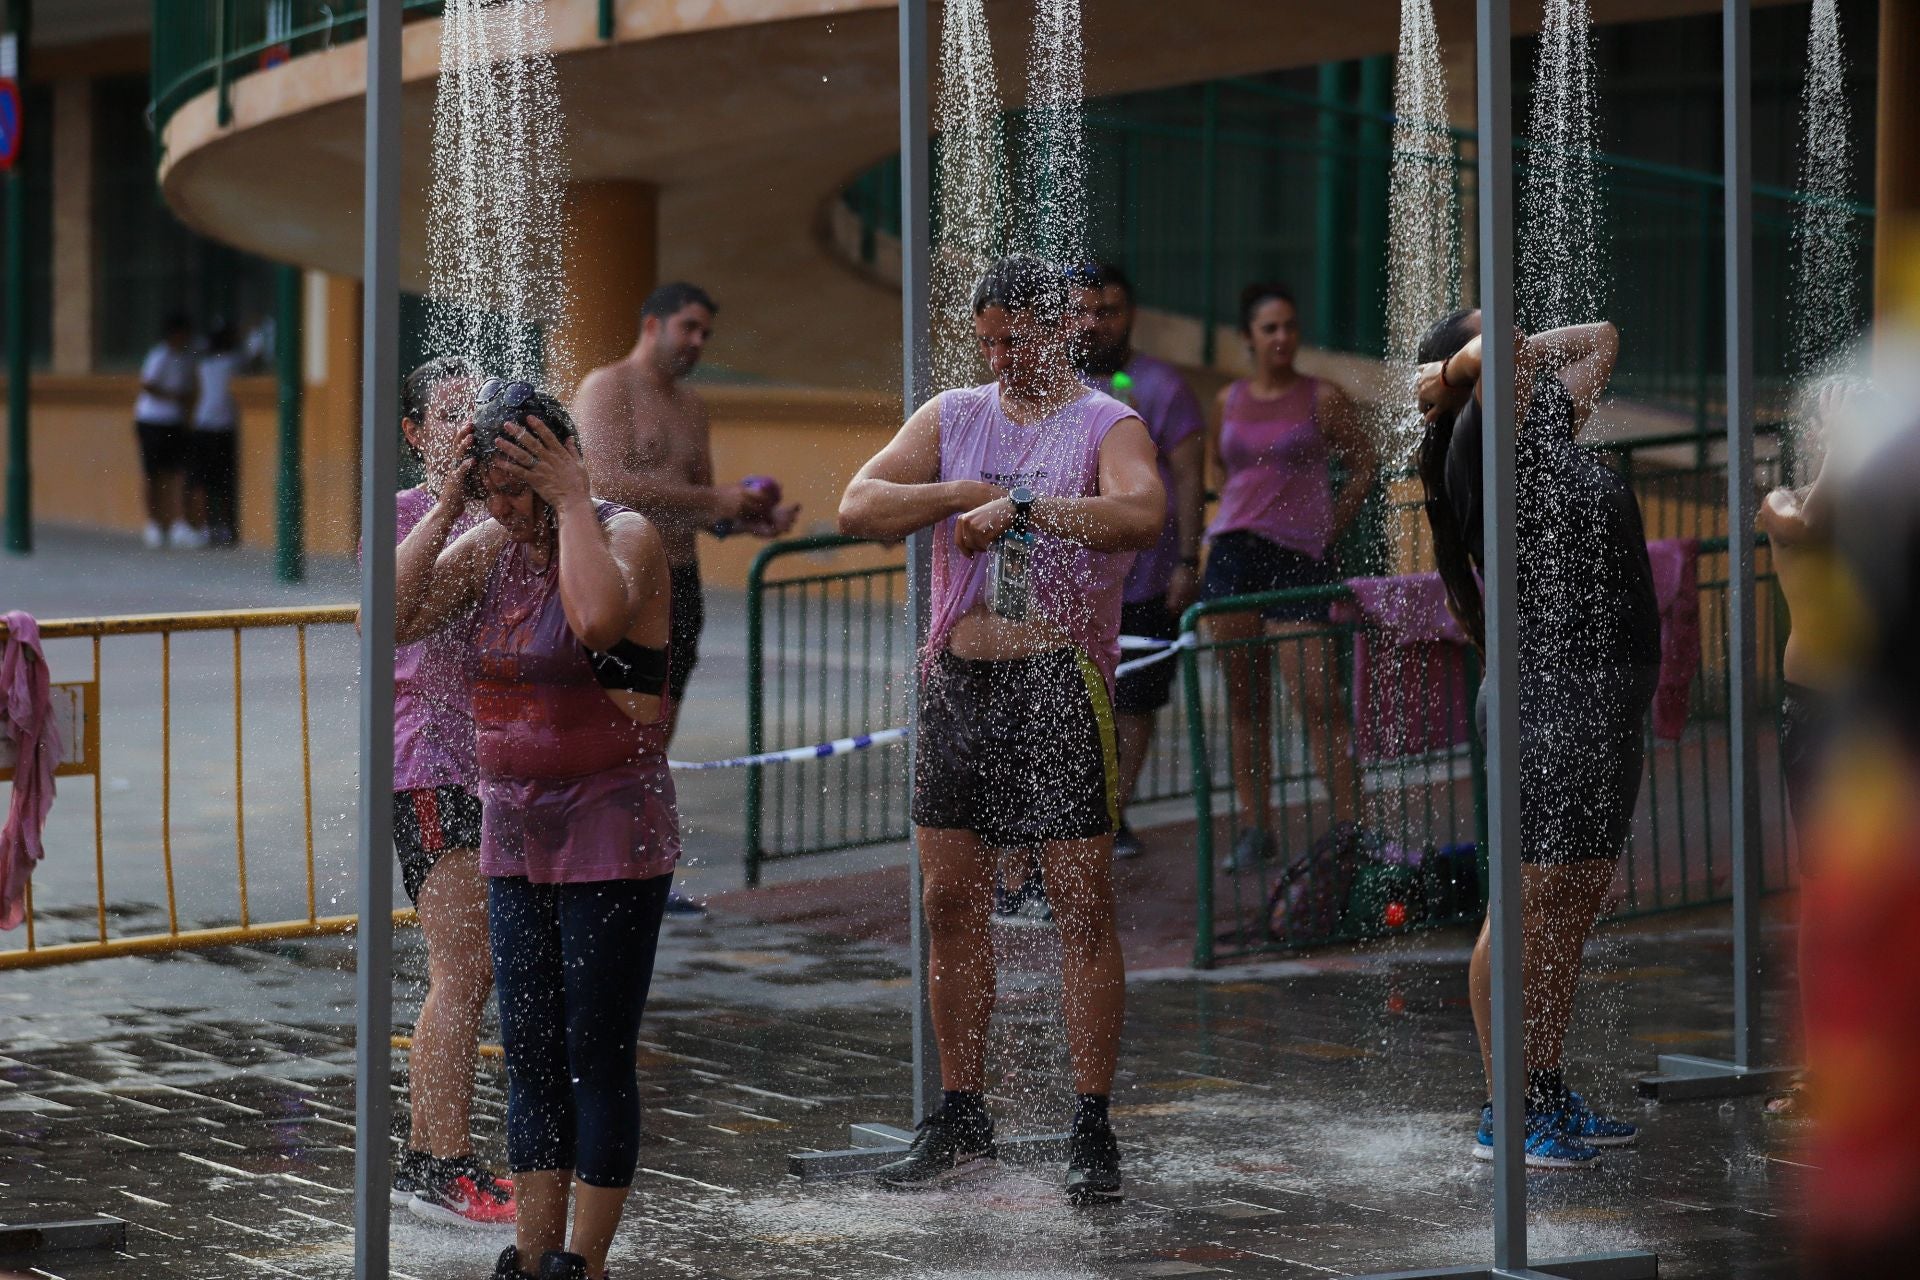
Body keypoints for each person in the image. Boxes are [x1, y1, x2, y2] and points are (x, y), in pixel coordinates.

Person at [838, 255, 1165, 1204]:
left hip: (1061, 684)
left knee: (1079, 906)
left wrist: (1024, 507)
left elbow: (1142, 513)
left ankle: (1091, 1123)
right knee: (948, 903)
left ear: (1059, 329)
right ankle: (962, 1112)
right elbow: (860, 504)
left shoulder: (1108, 420)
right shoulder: (954, 415)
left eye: (1013, 339)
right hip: (958, 684)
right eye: (984, 341)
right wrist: (954, 495)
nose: (997, 356)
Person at [396, 382, 678, 1280]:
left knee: (594, 1047)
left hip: (609, 829)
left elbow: (596, 618)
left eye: (520, 488)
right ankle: (532, 1252)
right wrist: (447, 504)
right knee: (529, 1046)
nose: (505, 510)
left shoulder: (621, 532)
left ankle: (583, 1264)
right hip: (515, 831)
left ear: (559, 463)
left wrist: (568, 499)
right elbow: (388, 620)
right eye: (494, 491)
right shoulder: (487, 544)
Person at [1414, 310, 1659, 1168]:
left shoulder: (1540, 418)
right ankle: (1506, 1107)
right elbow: (1491, 362)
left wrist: (1481, 356)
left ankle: (1545, 1086)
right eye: (1498, 336)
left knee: (1573, 901)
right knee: (1528, 902)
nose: (1520, 339)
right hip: (1545, 697)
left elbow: (1602, 338)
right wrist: (1452, 378)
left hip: (1606, 698)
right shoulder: (1480, 441)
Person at [574, 282, 798, 917]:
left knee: (657, 728)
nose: (698, 343)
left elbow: (701, 499)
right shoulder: (606, 389)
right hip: (619, 580)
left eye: (706, 333)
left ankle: (635, 867)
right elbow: (605, 484)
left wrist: (751, 521)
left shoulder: (693, 407)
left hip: (679, 581)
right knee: (610, 726)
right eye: (689, 328)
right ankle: (589, 867)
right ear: (653, 324)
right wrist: (717, 501)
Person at [385, 357, 517, 1229]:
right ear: (414, 433)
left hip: (503, 765)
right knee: (459, 971)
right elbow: (388, 610)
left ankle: (443, 1152)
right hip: (434, 765)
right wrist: (445, 505)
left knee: (484, 973)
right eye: (446, 415)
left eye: (477, 411)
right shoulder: (403, 517)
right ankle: (436, 1159)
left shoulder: (509, 514)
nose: (465, 427)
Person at [1202, 284, 1378, 869]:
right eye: (1269, 328)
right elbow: (1221, 473)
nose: (1282, 337)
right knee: (1245, 703)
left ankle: (1354, 828)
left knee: (1317, 698)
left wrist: (1327, 525)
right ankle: (1255, 829)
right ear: (1248, 337)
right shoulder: (1228, 398)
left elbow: (1365, 463)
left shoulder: (1321, 398)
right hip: (1233, 556)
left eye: (1289, 326)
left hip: (1297, 558)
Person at [1070, 263, 1207, 860]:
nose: (1096, 322)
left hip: (1146, 579)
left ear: (1131, 315)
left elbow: (1188, 476)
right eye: (1084, 310)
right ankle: (1065, 823)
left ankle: (1113, 815)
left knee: (1136, 703)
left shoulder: (1161, 386)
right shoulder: (1047, 382)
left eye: (1110, 310)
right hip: (1067, 582)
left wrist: (1186, 561)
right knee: (1066, 705)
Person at [134, 312, 200, 550]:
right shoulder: (159, 355)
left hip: (175, 421)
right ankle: (153, 524)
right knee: (153, 473)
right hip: (152, 420)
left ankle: (180, 524)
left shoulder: (186, 357)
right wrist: (172, 396)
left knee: (180, 472)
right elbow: (147, 384)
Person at [187, 322, 244, 548]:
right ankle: (225, 526)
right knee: (224, 481)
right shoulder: (234, 362)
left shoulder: (204, 364)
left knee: (204, 481)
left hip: (203, 425)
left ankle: (205, 527)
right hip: (224, 428)